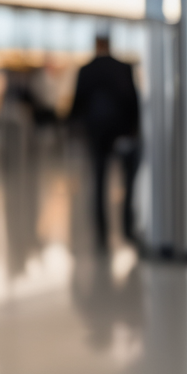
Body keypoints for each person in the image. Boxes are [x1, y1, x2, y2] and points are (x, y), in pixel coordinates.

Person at [70, 31, 140, 250]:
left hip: (96, 133)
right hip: (122, 132)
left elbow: (77, 104)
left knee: (99, 182)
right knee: (128, 182)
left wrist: (76, 128)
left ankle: (102, 234)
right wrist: (133, 129)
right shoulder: (123, 68)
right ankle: (127, 228)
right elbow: (133, 101)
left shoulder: (86, 70)